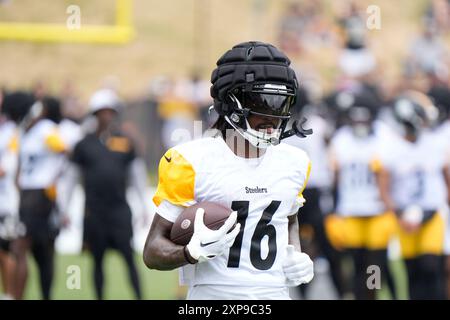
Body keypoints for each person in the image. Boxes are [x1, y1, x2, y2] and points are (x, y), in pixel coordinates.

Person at [143, 41, 314, 300]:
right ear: (231, 102)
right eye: (262, 102)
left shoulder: (295, 162)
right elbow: (152, 251)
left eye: (281, 102)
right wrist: (189, 253)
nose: (273, 115)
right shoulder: (191, 161)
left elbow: (287, 217)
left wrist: (295, 252)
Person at [60, 89, 147, 299]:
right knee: (97, 261)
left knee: (129, 259)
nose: (107, 116)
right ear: (95, 114)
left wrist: (144, 207)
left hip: (119, 211)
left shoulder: (125, 141)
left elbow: (137, 176)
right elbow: (70, 179)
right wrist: (64, 209)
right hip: (94, 213)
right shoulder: (83, 144)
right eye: (102, 112)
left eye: (110, 111)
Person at [377, 91, 449, 299]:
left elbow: (446, 178)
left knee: (431, 266)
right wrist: (399, 213)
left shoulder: (435, 143)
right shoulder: (390, 148)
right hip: (404, 216)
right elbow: (384, 189)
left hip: (433, 213)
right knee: (412, 271)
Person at [327, 90, 398, 300]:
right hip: (350, 211)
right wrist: (334, 210)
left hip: (377, 211)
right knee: (357, 267)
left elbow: (391, 173)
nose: (359, 121)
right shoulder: (341, 138)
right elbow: (335, 178)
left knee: (374, 268)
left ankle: (372, 297)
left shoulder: (384, 135)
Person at [14, 95, 67, 300]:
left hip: (39, 194)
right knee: (38, 250)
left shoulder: (45, 128)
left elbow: (63, 150)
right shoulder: (27, 131)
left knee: (24, 247)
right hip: (29, 194)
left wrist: (52, 178)